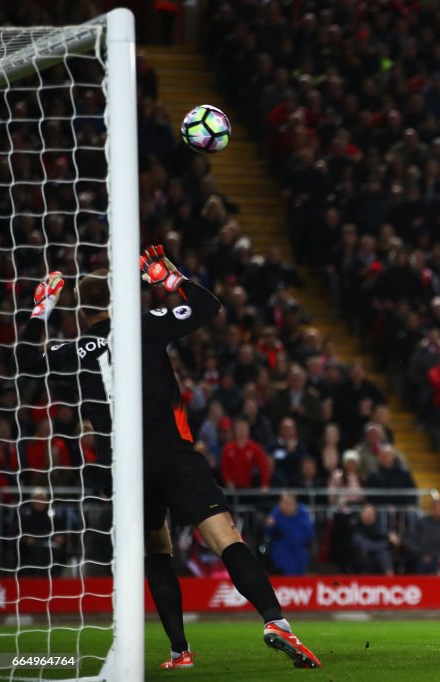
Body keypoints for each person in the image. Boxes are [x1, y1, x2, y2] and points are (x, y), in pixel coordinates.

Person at [18, 251, 321, 669]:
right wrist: (169, 278)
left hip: (125, 471)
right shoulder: (143, 325)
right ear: (117, 301)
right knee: (224, 538)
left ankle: (180, 650)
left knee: (156, 551)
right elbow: (208, 307)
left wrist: (41, 309)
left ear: (82, 313)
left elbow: (23, 363)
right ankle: (276, 622)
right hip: (173, 455)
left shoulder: (74, 350)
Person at [264, 492, 316, 576]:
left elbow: (310, 534)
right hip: (281, 547)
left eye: (289, 503)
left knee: (302, 560)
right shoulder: (276, 513)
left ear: (295, 504)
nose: (286, 506)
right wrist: (269, 525)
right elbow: (267, 532)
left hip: (300, 548)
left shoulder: (303, 514)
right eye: (284, 503)